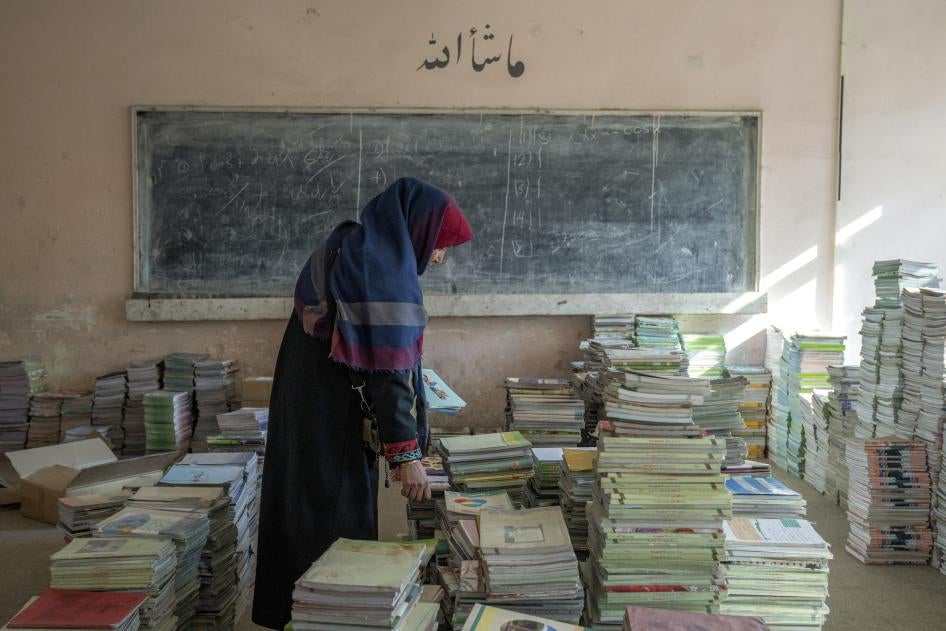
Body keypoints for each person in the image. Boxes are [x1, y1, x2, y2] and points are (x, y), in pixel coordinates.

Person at [252, 177, 473, 629]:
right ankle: (334, 615)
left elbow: (373, 351)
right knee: (333, 517)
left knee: (303, 505)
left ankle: (298, 612)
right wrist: (406, 455)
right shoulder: (382, 269)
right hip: (330, 411)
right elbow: (386, 373)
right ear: (416, 230)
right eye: (438, 243)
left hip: (307, 398)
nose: (439, 256)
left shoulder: (354, 246)